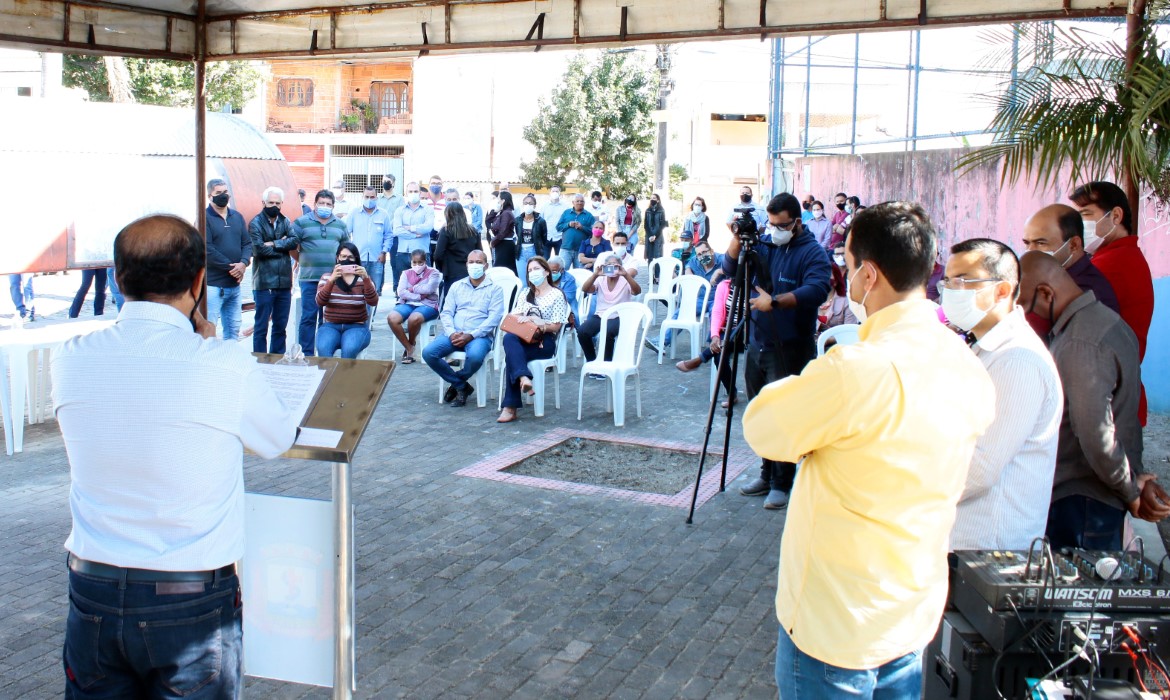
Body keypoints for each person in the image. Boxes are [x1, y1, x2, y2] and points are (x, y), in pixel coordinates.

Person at [742, 202, 996, 698]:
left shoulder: (856, 369)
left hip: (838, 621)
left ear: (869, 274)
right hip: (911, 608)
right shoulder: (964, 360)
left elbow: (763, 428)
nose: (845, 273)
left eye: (848, 260)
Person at [52, 214, 296, 699]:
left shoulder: (71, 355)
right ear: (199, 280)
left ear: (118, 277)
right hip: (189, 595)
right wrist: (210, 346)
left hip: (92, 585)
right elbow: (276, 439)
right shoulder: (221, 363)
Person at [1017, 252, 1169, 549]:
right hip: (1094, 495)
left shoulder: (1080, 341)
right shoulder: (1102, 321)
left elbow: (1095, 432)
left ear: (1046, 293)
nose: (1024, 315)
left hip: (1082, 500)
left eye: (1024, 304)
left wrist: (1130, 489)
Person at [941, 239, 1063, 551]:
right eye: (948, 281)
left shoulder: (1018, 360)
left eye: (963, 282)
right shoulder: (984, 347)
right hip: (962, 538)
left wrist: (908, 493)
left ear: (1002, 291)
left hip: (988, 544)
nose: (951, 292)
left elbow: (980, 468)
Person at [724, 193, 832, 510]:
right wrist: (737, 239)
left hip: (791, 346)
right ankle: (766, 473)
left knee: (785, 416)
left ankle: (782, 483)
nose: (775, 230)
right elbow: (729, 268)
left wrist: (775, 301)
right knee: (762, 414)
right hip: (758, 343)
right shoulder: (766, 244)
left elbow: (816, 289)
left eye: (782, 225)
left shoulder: (812, 252)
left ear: (797, 222)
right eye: (771, 224)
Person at [1069, 181, 1154, 425]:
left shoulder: (1112, 263)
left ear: (1115, 216)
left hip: (1108, 398)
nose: (1079, 225)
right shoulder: (1116, 257)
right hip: (1118, 392)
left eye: (1086, 215)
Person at [423, 250, 505, 408]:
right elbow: (446, 312)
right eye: (471, 262)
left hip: (479, 336)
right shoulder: (456, 286)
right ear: (466, 264)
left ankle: (457, 382)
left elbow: (494, 319)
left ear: (486, 266)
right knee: (428, 353)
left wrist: (471, 335)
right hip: (453, 333)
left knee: (475, 357)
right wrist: (451, 332)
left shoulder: (495, 289)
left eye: (479, 262)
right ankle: (461, 386)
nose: (474, 265)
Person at [496, 256, 571, 423]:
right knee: (509, 339)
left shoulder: (557, 295)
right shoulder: (525, 293)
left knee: (512, 357)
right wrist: (523, 318)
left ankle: (510, 407)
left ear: (546, 272)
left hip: (544, 341)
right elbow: (514, 315)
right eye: (529, 270)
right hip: (524, 337)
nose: (532, 273)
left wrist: (539, 322)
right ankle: (523, 378)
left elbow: (556, 326)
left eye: (536, 269)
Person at [1022, 203, 1120, 329]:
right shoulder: (1053, 279)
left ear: (1073, 245)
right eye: (1027, 243)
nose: (1030, 251)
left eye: (1041, 243)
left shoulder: (1085, 292)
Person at [292, 189, 350, 355]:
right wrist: (303, 260)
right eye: (321, 203)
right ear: (315, 204)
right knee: (308, 317)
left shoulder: (340, 225)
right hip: (309, 279)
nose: (325, 206)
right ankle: (307, 354)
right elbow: (291, 247)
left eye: (328, 204)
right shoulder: (301, 223)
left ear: (333, 206)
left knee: (327, 319)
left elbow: (346, 250)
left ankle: (324, 354)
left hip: (333, 281)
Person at [248, 186, 296, 354]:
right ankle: (260, 362)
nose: (274, 206)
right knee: (261, 327)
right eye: (271, 202)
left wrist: (273, 243)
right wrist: (282, 245)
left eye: (277, 203)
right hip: (264, 283)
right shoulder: (255, 223)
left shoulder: (285, 221)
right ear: (263, 203)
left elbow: (294, 241)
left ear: (282, 204)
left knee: (280, 328)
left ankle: (277, 360)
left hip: (284, 283)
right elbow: (258, 250)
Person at [203, 179, 250, 340]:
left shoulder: (237, 217)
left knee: (233, 331)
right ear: (210, 196)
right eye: (218, 193)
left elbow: (247, 243)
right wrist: (233, 268)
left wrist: (243, 263)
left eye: (225, 192)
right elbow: (207, 249)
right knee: (208, 331)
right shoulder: (204, 218)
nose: (223, 195)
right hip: (213, 286)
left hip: (234, 286)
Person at [313, 241, 378, 359]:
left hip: (356, 326)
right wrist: (331, 280)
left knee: (349, 350)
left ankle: (344, 372)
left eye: (350, 257)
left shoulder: (363, 279)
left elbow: (373, 302)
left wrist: (366, 278)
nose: (346, 260)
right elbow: (320, 302)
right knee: (323, 349)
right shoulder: (327, 277)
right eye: (343, 256)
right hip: (331, 325)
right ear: (337, 258)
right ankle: (329, 372)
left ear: (356, 259)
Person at [577, 253, 641, 364]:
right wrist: (595, 275)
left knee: (608, 332)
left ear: (620, 267)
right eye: (609, 265)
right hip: (601, 314)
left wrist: (625, 274)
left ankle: (606, 364)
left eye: (615, 265)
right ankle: (592, 362)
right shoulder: (601, 279)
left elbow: (637, 291)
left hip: (619, 316)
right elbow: (585, 289)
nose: (611, 267)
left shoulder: (625, 279)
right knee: (582, 331)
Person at [388, 249, 442, 364]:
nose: (417, 265)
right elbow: (401, 292)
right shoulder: (406, 273)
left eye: (420, 262)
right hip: (408, 303)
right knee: (392, 318)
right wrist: (418, 296)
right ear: (411, 261)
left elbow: (429, 289)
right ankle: (409, 347)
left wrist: (412, 288)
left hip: (428, 304)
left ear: (425, 261)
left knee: (414, 318)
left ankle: (411, 343)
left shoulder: (434, 273)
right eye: (414, 262)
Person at [346, 185, 393, 305]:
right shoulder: (354, 213)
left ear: (376, 198)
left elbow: (388, 235)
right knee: (356, 289)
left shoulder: (383, 214)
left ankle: (370, 315)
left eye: (372, 197)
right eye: (366, 197)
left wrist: (384, 252)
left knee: (373, 291)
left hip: (376, 259)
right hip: (358, 259)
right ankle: (359, 314)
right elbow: (346, 233)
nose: (369, 199)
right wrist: (350, 254)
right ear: (362, 197)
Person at [392, 181, 435, 291]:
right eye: (410, 191)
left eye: (415, 191)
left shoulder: (428, 209)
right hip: (403, 252)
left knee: (424, 286)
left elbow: (428, 227)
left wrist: (410, 228)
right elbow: (397, 230)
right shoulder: (399, 210)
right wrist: (415, 235)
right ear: (406, 193)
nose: (413, 193)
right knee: (403, 287)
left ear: (420, 193)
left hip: (422, 253)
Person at [434, 201, 482, 285]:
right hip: (470, 271)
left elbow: (438, 255)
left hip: (452, 272)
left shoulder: (446, 231)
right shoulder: (473, 230)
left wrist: (442, 268)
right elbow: (479, 252)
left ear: (447, 215)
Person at [816, 243, 859, 333]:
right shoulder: (810, 300)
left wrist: (827, 337)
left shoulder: (847, 302)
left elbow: (849, 332)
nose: (824, 278)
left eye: (842, 253)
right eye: (837, 254)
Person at [556, 193, 594, 269]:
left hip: (581, 251)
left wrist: (582, 227)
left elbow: (593, 232)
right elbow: (558, 227)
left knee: (580, 273)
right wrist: (568, 224)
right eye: (577, 201)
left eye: (582, 201)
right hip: (566, 248)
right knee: (561, 271)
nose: (580, 203)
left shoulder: (589, 215)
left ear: (584, 203)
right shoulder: (566, 213)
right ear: (573, 202)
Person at [514, 193, 548, 276]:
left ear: (534, 206)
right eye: (526, 203)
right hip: (521, 252)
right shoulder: (518, 220)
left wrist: (540, 248)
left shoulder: (540, 221)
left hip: (534, 251)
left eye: (530, 203)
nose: (528, 205)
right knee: (522, 278)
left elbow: (544, 238)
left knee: (535, 277)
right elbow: (516, 235)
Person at [487, 190, 517, 269]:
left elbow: (503, 231)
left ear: (503, 200)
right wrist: (495, 211)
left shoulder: (506, 213)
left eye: (498, 199)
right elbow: (488, 220)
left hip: (505, 244)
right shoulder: (502, 212)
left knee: (501, 268)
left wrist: (493, 242)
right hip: (501, 243)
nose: (497, 201)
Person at [541, 186, 570, 257]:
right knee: (544, 260)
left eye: (556, 191)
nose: (555, 193)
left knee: (560, 260)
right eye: (553, 191)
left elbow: (567, 222)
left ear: (560, 193)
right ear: (550, 193)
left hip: (560, 238)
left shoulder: (565, 207)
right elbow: (541, 221)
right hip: (547, 238)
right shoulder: (544, 206)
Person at [548, 257, 578, 323]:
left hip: (567, 308)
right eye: (549, 271)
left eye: (554, 271)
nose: (550, 274)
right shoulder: (545, 276)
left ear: (562, 270)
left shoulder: (569, 279)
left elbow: (568, 298)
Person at [642, 193, 667, 262]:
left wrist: (655, 236)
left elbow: (662, 224)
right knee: (649, 256)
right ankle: (650, 269)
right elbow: (645, 224)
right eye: (651, 198)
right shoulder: (647, 211)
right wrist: (650, 235)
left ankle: (657, 269)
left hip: (658, 235)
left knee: (658, 257)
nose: (652, 199)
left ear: (658, 200)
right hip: (649, 235)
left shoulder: (661, 210)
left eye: (654, 198)